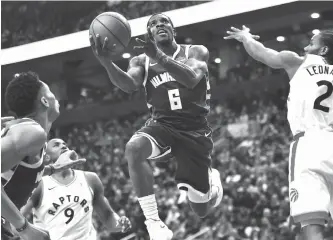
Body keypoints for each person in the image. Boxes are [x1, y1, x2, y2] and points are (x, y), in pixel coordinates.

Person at [90, 13, 223, 240]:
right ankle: (153, 222)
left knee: (200, 210)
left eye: (164, 22)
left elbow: (191, 79)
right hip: (162, 125)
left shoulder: (196, 51)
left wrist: (160, 56)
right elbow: (129, 85)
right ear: (149, 34)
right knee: (133, 148)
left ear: (173, 30)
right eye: (153, 24)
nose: (159, 25)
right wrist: (106, 62)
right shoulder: (141, 61)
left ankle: (213, 184)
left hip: (195, 131)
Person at [225, 27, 333, 240]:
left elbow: (262, 53)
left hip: (309, 143)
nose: (307, 44)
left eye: (312, 41)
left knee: (311, 221)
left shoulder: (296, 61)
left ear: (323, 49)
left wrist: (246, 37)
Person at [1, 72, 85, 240]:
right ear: (45, 101)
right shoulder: (32, 132)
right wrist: (24, 227)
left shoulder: (29, 134)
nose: (57, 98)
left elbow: (12, 174)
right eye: (52, 94)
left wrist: (52, 168)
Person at [20, 138, 132, 240]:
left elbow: (108, 216)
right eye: (56, 145)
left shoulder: (90, 179)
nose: (63, 146)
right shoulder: (39, 184)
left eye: (65, 144)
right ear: (47, 157)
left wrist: (119, 223)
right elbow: (17, 221)